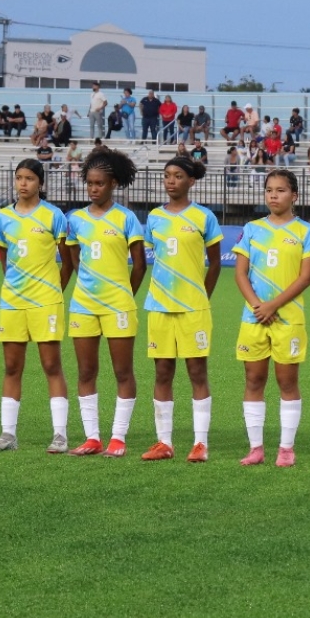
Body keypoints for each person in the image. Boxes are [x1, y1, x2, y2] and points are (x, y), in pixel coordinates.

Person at [0, 159, 73, 454]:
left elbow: (68, 262)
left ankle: (60, 435)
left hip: (45, 301)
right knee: (11, 366)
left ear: (40, 183)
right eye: (19, 178)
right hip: (12, 302)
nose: (23, 183)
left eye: (30, 178)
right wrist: (15, 287)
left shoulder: (53, 215)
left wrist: (52, 290)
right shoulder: (3, 217)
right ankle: (8, 435)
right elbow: (4, 259)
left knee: (51, 365)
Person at [138, 157, 223, 463]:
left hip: (193, 308)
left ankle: (200, 444)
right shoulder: (155, 218)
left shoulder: (203, 217)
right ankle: (164, 442)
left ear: (191, 181)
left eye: (177, 176)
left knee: (197, 372)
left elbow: (215, 263)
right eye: (167, 176)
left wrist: (202, 295)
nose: (171, 180)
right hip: (159, 306)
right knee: (162, 372)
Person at [233, 170, 310, 466]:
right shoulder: (252, 228)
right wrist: (258, 305)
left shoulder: (306, 231)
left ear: (294, 195)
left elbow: (305, 278)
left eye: (281, 190)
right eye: (269, 190)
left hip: (288, 319)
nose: (273, 195)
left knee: (287, 381)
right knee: (253, 379)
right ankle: (256, 448)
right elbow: (240, 273)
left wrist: (273, 306)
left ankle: (286, 448)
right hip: (254, 317)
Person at [64, 148, 146, 457]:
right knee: (86, 372)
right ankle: (92, 438)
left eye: (100, 183)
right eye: (90, 183)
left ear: (113, 184)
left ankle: (118, 438)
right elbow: (74, 261)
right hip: (83, 306)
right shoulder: (76, 220)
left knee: (122, 372)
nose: (94, 188)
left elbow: (139, 265)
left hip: (118, 306)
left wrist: (125, 296)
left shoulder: (126, 218)